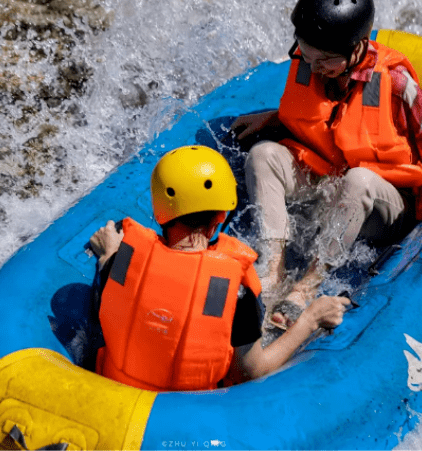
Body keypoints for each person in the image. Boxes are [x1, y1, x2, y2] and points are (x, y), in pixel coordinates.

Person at [231, 0, 422, 330]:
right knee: (263, 155)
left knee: (358, 179)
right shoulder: (309, 61)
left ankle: (307, 286)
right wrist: (274, 118)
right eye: (306, 55)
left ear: (356, 48)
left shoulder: (396, 83)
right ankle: (272, 270)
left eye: (325, 60)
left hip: (383, 202)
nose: (313, 66)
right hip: (328, 181)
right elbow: (326, 120)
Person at [88, 145, 350, 391]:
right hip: (188, 414)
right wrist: (310, 319)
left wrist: (108, 253)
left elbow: (114, 283)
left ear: (159, 213)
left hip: (116, 395)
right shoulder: (234, 291)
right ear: (220, 218)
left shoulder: (122, 258)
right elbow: (252, 372)